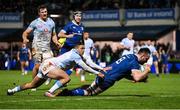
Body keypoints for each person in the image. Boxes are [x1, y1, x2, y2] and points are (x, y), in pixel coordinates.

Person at [7, 43, 105, 97]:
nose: (83, 50)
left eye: (84, 48)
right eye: (82, 48)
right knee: (66, 78)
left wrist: (101, 68)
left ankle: (12, 90)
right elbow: (85, 67)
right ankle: (49, 92)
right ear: (77, 49)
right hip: (50, 65)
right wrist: (97, 73)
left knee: (32, 85)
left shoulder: (75, 54)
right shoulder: (75, 55)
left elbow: (90, 63)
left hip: (46, 65)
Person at [57, 48, 151, 96]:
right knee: (90, 93)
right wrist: (147, 70)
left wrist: (139, 79)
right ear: (143, 55)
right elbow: (137, 77)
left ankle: (70, 91)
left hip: (104, 72)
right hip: (109, 79)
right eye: (146, 59)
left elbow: (123, 73)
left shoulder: (129, 56)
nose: (146, 61)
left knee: (90, 87)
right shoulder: (134, 63)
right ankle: (69, 93)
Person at [22, 5, 60, 88]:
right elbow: (25, 33)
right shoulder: (35, 22)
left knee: (52, 64)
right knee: (37, 66)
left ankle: (49, 77)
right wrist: (25, 39)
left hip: (47, 47)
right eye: (42, 12)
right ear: (39, 13)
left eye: (45, 12)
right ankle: (33, 85)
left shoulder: (51, 22)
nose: (44, 13)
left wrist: (56, 42)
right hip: (36, 47)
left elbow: (54, 35)